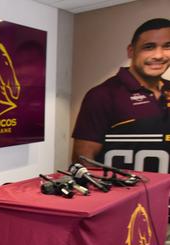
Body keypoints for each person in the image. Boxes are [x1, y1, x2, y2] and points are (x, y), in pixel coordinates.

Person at [72, 18, 170, 173]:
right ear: (131, 51)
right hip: (129, 195)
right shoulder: (102, 95)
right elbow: (83, 161)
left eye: (167, 46)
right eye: (149, 47)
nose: (159, 55)